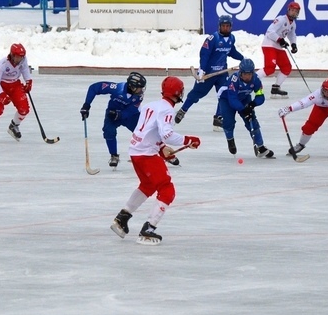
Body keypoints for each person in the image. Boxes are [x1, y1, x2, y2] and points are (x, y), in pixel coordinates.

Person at [110, 76, 201, 245]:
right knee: (167, 189)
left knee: (148, 185)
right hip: (146, 154)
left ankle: (122, 218)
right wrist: (189, 140)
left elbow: (147, 131)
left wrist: (160, 147)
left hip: (135, 151)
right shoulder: (167, 110)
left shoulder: (150, 105)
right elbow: (167, 134)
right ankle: (148, 229)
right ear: (177, 93)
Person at [174, 14, 244, 131]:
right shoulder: (213, 39)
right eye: (223, 26)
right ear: (219, 26)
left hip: (222, 73)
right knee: (196, 94)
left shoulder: (231, 38)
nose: (225, 28)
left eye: (228, 26)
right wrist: (202, 70)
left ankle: (218, 118)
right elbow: (204, 54)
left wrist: (242, 59)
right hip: (208, 74)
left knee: (225, 94)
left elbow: (231, 51)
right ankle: (183, 110)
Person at [80, 72, 147, 169]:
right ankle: (114, 155)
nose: (142, 90)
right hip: (112, 113)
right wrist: (86, 105)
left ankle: (158, 151)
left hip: (130, 116)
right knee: (108, 132)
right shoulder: (117, 88)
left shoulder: (139, 96)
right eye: (140, 87)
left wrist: (120, 115)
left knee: (143, 132)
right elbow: (94, 88)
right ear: (132, 87)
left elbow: (131, 110)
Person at [217, 58, 274, 158]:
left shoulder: (256, 80)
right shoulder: (234, 79)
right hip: (227, 98)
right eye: (244, 74)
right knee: (229, 121)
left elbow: (260, 95)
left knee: (252, 120)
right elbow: (233, 99)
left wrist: (253, 104)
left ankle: (260, 146)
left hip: (244, 98)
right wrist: (243, 110)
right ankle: (230, 139)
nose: (247, 77)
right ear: (240, 73)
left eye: (249, 74)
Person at [0, 43, 32, 142]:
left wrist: (28, 81)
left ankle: (13, 126)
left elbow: (25, 69)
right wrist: (1, 95)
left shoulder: (23, 60)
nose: (20, 59)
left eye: (21, 57)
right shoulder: (2, 64)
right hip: (1, 85)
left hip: (15, 85)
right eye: (18, 57)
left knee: (24, 109)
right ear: (12, 55)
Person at [256, 1, 300, 98]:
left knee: (286, 67)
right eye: (292, 10)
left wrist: (293, 44)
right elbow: (270, 32)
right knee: (270, 68)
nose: (293, 13)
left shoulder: (293, 24)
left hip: (278, 47)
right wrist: (280, 40)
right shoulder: (281, 19)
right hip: (269, 45)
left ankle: (276, 87)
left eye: (296, 11)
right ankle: (253, 79)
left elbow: (292, 34)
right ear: (288, 10)